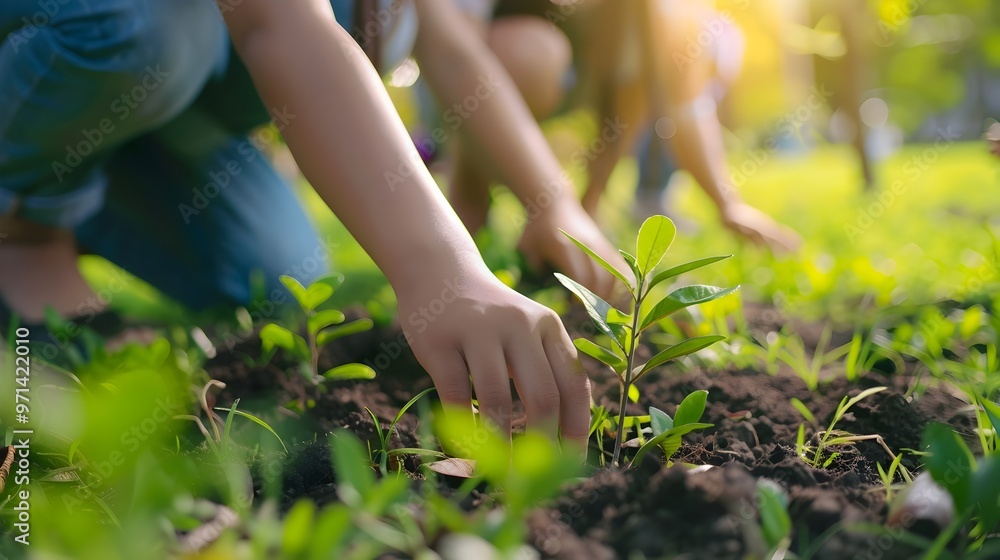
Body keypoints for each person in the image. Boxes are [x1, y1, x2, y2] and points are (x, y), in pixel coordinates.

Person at [0, 0, 612, 449]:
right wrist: (442, 269)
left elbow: (454, 50)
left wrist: (551, 201)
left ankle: (64, 172)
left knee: (275, 275)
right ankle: (31, 235)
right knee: (142, 28)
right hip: (76, 33)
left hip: (145, 114)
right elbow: (280, 18)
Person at [569, 0, 803, 252]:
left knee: (653, 63)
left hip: (598, 53)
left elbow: (685, 107)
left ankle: (614, 203)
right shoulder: (678, 22)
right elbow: (685, 108)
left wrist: (730, 205)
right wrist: (728, 204)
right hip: (560, 54)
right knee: (659, 50)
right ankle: (605, 205)